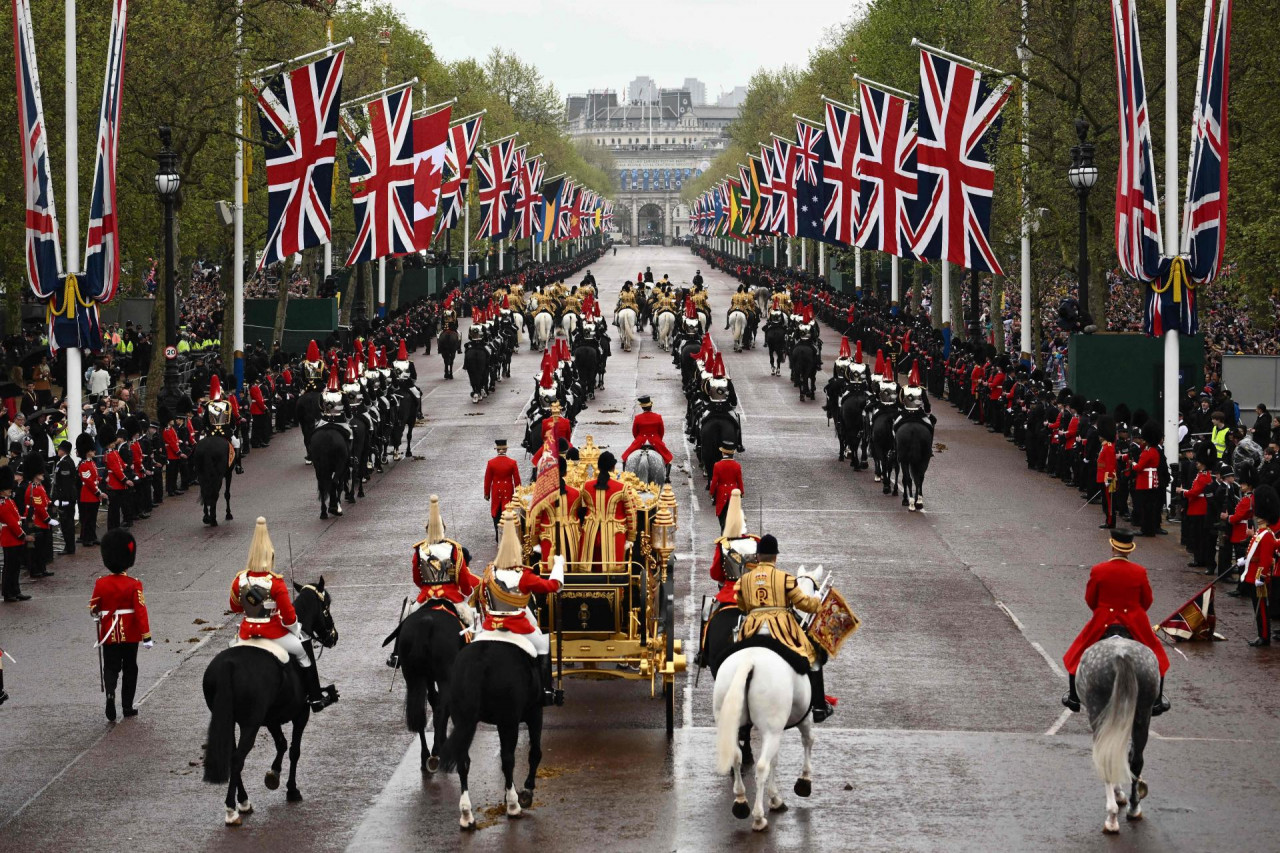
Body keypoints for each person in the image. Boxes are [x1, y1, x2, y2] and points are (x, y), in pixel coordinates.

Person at [229, 517, 337, 712]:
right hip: (272, 633)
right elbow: (288, 617)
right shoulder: (275, 582)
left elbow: (235, 607)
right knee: (303, 653)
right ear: (270, 557)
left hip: (246, 633)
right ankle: (314, 699)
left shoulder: (240, 580)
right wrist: (296, 629)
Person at [1061, 528, 1171, 715]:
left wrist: (1103, 610)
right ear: (1129, 550)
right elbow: (1147, 601)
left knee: (1076, 653)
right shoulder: (1140, 571)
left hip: (1104, 619)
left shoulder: (1099, 570)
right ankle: (1157, 701)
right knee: (1157, 657)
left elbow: (1090, 599)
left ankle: (1073, 697)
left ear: (1112, 547)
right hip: (1134, 621)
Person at [735, 534, 834, 722]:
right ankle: (819, 707)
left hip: (751, 628)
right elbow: (803, 604)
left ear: (757, 557)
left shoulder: (745, 580)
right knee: (812, 655)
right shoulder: (785, 579)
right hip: (781, 628)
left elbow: (741, 605)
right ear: (775, 557)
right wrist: (818, 602)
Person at [478, 509, 565, 706]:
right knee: (544, 645)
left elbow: (483, 598)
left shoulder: (489, 573)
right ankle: (546, 691)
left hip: (491, 626)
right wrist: (558, 565)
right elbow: (553, 586)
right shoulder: (524, 576)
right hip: (518, 625)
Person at [386, 495, 478, 668]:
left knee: (406, 616)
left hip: (425, 598)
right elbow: (464, 580)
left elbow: (416, 578)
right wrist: (466, 592)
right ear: (444, 529)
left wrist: (427, 587)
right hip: (451, 599)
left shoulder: (419, 550)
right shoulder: (454, 549)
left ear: (426, 529)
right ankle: (474, 660)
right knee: (473, 624)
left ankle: (396, 655)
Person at [90, 528, 151, 721]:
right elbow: (140, 610)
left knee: (111, 666)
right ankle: (127, 706)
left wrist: (98, 613)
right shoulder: (134, 584)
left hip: (109, 632)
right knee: (130, 667)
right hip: (130, 633)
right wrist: (146, 636)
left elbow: (93, 607)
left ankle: (110, 694)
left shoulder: (101, 583)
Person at [573, 451, 636, 569]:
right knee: (614, 571)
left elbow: (580, 509)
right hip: (615, 535)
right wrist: (631, 537)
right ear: (613, 468)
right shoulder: (622, 488)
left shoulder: (586, 486)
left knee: (590, 568)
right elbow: (631, 513)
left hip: (591, 534)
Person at [1238, 485, 1279, 646]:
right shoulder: (1261, 532)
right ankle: (1262, 633)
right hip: (1253, 573)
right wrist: (1244, 560)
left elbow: (1266, 558)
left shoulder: (1267, 534)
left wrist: (1261, 576)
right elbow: (1254, 552)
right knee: (1257, 605)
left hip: (1258, 576)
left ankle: (1264, 636)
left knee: (1261, 607)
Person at [709, 489, 758, 609]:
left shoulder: (722, 545)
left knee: (708, 615)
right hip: (753, 595)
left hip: (729, 595)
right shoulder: (756, 542)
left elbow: (715, 574)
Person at [0, 466, 32, 602]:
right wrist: (23, 535)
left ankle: (15, 590)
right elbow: (11, 523)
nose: (10, 490)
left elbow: (17, 519)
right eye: (8, 489)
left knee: (15, 566)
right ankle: (8, 592)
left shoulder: (9, 501)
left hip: (15, 537)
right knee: (9, 567)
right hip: (10, 538)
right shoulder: (2, 504)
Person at [620, 395, 673, 476]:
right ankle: (667, 477)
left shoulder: (638, 418)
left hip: (640, 440)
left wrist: (639, 438)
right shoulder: (658, 417)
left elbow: (635, 432)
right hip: (655, 440)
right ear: (651, 406)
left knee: (625, 457)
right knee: (668, 458)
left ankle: (623, 473)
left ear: (642, 407)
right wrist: (658, 439)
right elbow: (661, 432)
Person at [21, 453, 53, 579]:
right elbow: (39, 507)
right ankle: (35, 570)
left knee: (42, 547)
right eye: (40, 473)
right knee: (36, 548)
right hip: (37, 521)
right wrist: (48, 519)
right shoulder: (33, 488)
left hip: (41, 521)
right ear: (35, 474)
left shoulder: (40, 486)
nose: (43, 474)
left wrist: (52, 503)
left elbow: (45, 501)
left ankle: (42, 568)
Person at [482, 439, 521, 542]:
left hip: (496, 490)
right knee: (507, 510)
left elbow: (487, 479)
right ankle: (507, 533)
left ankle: (497, 533)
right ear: (506, 450)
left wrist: (486, 493)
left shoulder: (491, 463)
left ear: (497, 450)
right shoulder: (512, 462)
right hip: (508, 490)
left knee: (496, 511)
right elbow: (517, 479)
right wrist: (518, 492)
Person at [708, 442, 744, 531]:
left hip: (721, 493)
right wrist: (742, 492)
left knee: (722, 516)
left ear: (723, 453)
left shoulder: (717, 465)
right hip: (733, 493)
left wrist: (711, 492)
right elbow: (739, 481)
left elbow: (714, 481)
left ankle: (723, 532)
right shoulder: (737, 465)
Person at [103, 430, 133, 530]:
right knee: (113, 509)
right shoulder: (108, 454)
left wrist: (127, 466)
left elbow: (120, 464)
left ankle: (116, 527)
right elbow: (116, 469)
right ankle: (112, 528)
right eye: (112, 443)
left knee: (117, 507)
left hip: (118, 483)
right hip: (114, 483)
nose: (114, 443)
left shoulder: (114, 452)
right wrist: (125, 480)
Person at [51, 440, 77, 554]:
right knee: (66, 523)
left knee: (67, 523)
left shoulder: (65, 463)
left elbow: (65, 484)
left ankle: (70, 547)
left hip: (66, 498)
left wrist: (61, 500)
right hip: (66, 497)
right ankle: (69, 546)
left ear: (63, 450)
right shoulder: (65, 461)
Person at [77, 434, 104, 547]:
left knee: (93, 518)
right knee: (88, 519)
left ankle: (92, 536)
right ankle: (87, 539)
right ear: (87, 451)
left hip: (93, 494)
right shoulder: (83, 465)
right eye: (92, 450)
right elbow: (88, 481)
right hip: (88, 494)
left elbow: (95, 477)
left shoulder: (91, 462)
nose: (94, 452)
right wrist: (98, 492)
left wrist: (101, 480)